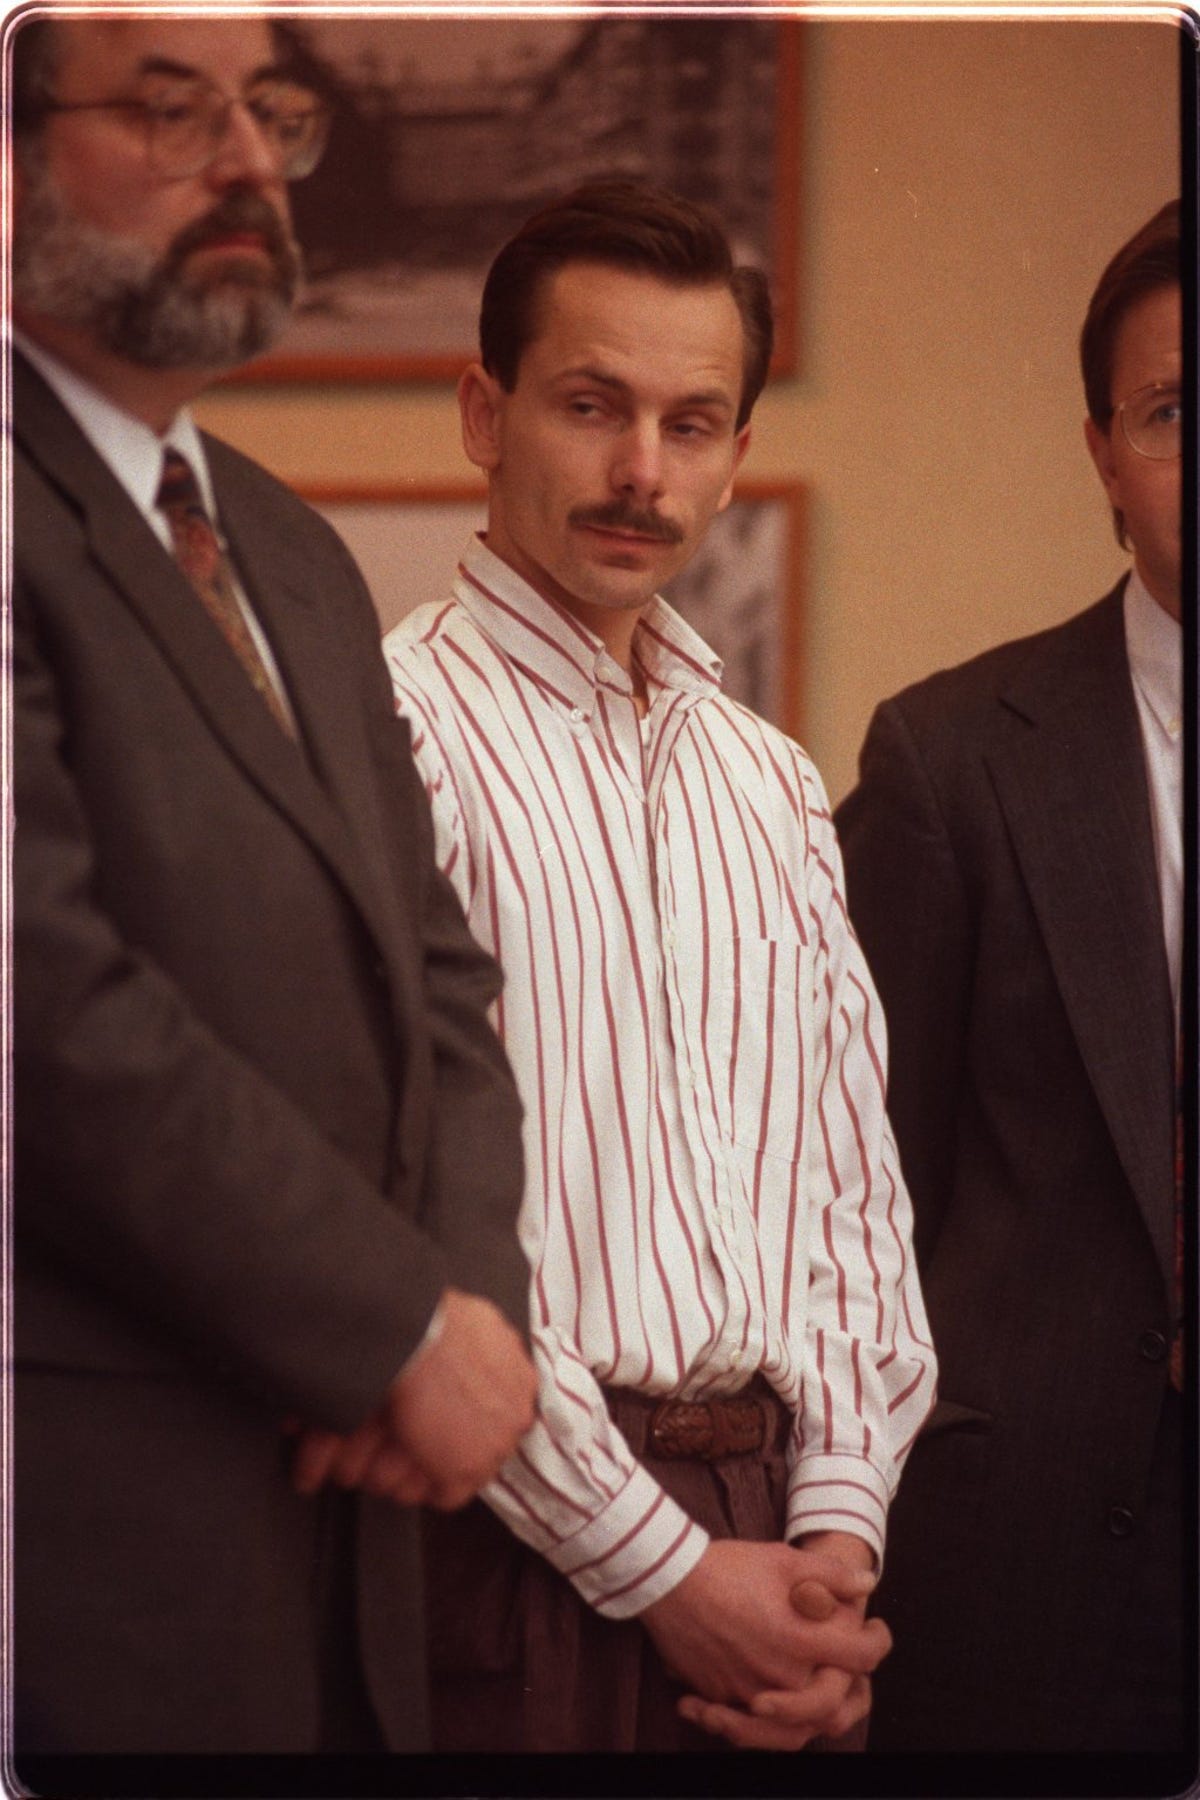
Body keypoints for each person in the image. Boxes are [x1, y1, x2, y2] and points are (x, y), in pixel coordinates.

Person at [9, 12, 537, 1765]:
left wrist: (461, 1314)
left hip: (349, 1539)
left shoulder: (289, 547)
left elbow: (436, 978)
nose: (247, 162)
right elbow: (40, 1002)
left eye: (273, 111)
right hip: (78, 1552)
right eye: (173, 109)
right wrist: (390, 1326)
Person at [380, 178, 936, 1754]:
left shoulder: (770, 783)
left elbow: (848, 1199)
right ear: (484, 415)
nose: (643, 471)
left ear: (736, 453)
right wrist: (661, 1567)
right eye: (591, 406)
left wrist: (834, 1547)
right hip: (506, 1542)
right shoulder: (387, 737)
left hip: (780, 1527)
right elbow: (398, 1212)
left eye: (692, 425)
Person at [835, 199, 1185, 1753]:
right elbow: (853, 1200)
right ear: (1103, 452)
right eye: (1171, 411)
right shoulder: (953, 761)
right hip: (1027, 1566)